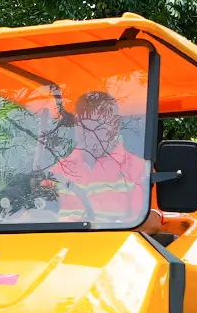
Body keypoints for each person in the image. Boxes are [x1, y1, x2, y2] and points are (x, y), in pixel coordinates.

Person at [47, 90, 149, 223]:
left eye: (98, 125)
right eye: (82, 125)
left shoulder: (139, 170)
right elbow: (37, 211)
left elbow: (148, 223)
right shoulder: (59, 169)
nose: (89, 134)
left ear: (115, 125)